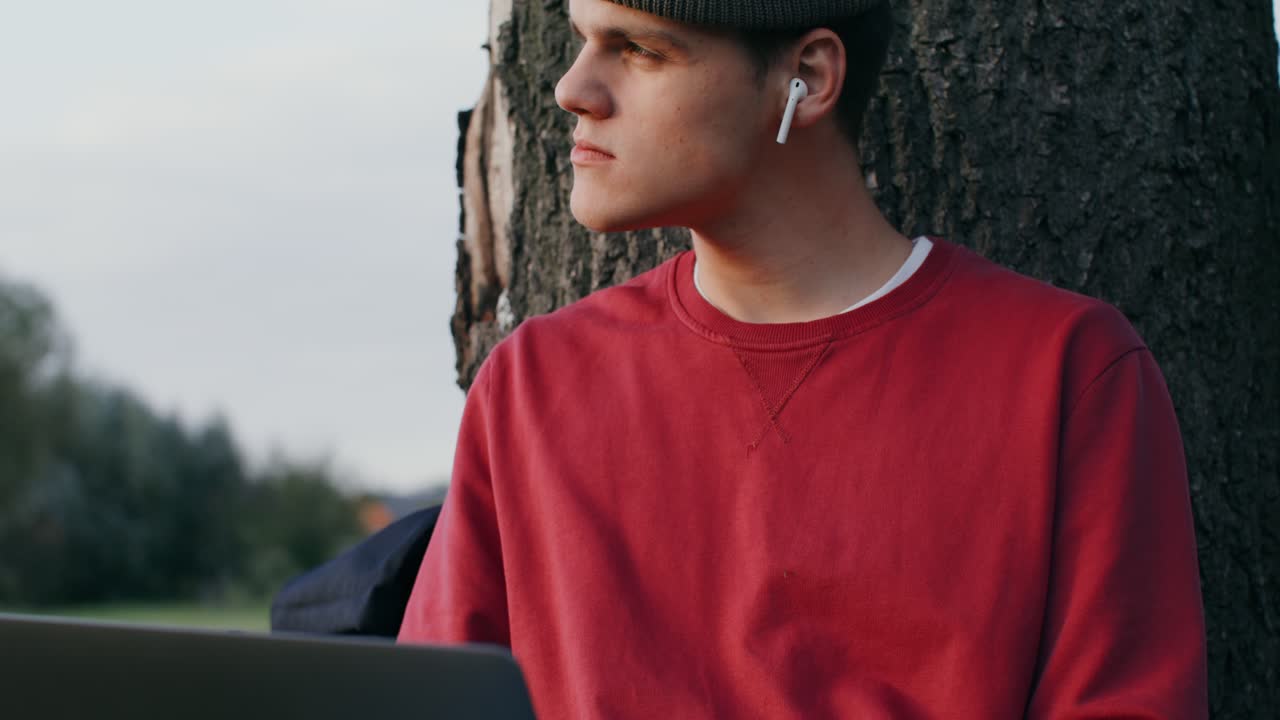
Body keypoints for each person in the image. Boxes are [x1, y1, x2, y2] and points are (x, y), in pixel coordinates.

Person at [398, 0, 1209, 717]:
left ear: (809, 78)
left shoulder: (1066, 373)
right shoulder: (534, 385)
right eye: (582, 38)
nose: (573, 88)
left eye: (641, 50)